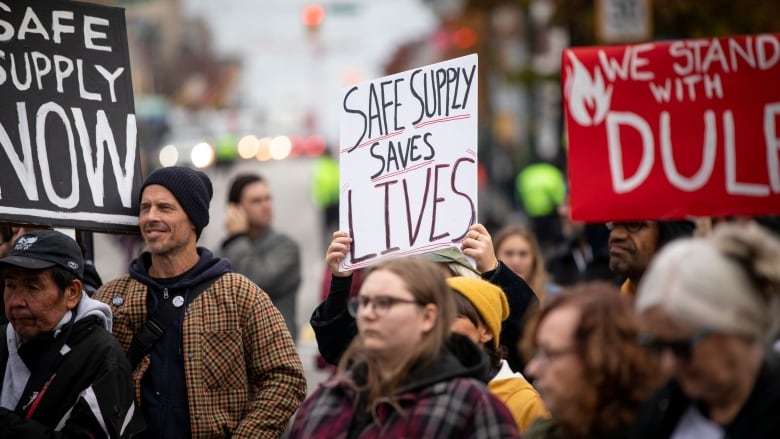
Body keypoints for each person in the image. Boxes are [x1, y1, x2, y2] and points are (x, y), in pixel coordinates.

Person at [93, 166, 306, 438]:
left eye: (165, 208)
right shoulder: (111, 299)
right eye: (145, 207)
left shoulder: (239, 294)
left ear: (193, 219)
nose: (151, 217)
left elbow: (286, 376)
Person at [287, 256, 520, 438]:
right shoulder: (324, 401)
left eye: (385, 302)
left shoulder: (472, 406)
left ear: (428, 317)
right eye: (364, 302)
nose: (368, 313)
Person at [311, 224, 539, 372]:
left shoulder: (488, 395)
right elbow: (338, 349)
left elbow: (527, 327)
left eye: (435, 272)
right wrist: (341, 280)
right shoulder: (394, 331)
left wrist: (492, 268)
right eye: (417, 273)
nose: (426, 282)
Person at [633, 222, 780, 438]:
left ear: (738, 325)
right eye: (657, 346)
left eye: (682, 348)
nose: (668, 365)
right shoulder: (660, 408)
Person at [0, 230, 138, 437]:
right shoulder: (3, 338)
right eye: (10, 285)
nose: (16, 301)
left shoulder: (102, 357)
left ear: (72, 293)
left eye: (33, 287)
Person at [522, 281, 660, 439]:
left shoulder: (662, 429)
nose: (531, 369)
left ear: (601, 360)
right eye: (536, 353)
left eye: (549, 354)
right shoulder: (544, 432)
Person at [447, 276, 549, 432]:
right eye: (436, 317)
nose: (439, 326)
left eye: (453, 317)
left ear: (486, 331)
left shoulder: (524, 402)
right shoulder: (424, 385)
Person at [220, 173, 302, 342]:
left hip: (276, 350)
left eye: (268, 198)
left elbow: (256, 282)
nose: (266, 206)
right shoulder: (221, 251)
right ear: (235, 209)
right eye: (256, 201)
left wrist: (236, 239)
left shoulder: (286, 248)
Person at [606, 219, 695, 296]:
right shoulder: (605, 306)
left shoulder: (693, 305)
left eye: (634, 224)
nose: (615, 235)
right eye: (613, 224)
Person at [493, 224, 556, 302]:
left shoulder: (554, 298)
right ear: (495, 256)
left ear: (534, 259)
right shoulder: (483, 296)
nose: (516, 261)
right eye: (509, 253)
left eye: (523, 254)